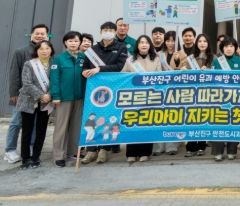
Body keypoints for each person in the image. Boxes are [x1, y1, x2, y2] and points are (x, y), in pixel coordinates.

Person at [80, 21, 129, 164]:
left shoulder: (121, 47)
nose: (108, 32)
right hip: (94, 90)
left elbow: (119, 66)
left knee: (108, 118)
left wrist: (100, 69)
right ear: (101, 32)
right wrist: (85, 72)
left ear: (115, 32)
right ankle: (91, 150)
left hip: (111, 88)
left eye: (110, 30)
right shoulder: (92, 49)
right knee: (92, 117)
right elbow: (85, 66)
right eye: (105, 30)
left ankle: (104, 149)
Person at [5, 24, 49, 164]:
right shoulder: (21, 52)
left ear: (47, 36)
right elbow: (14, 73)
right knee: (16, 122)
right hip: (23, 96)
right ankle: (10, 150)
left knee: (34, 124)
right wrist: (13, 93)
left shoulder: (48, 53)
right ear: (31, 34)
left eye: (43, 33)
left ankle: (30, 146)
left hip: (40, 97)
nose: (40, 35)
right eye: (37, 33)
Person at [122, 35, 162, 162]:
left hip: (150, 97)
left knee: (147, 124)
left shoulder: (156, 59)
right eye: (141, 42)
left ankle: (145, 152)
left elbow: (160, 77)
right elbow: (123, 76)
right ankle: (131, 153)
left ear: (150, 45)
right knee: (133, 124)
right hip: (134, 97)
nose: (144, 45)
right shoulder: (130, 60)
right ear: (137, 45)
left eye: (146, 42)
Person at [16, 40, 55, 169]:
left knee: (41, 130)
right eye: (41, 49)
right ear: (36, 51)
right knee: (27, 130)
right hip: (29, 100)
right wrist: (41, 95)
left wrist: (49, 95)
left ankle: (36, 157)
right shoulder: (29, 64)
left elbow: (56, 82)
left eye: (47, 48)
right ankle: (25, 158)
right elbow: (27, 83)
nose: (44, 51)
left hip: (46, 102)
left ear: (51, 50)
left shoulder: (54, 64)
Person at [50, 31, 86, 167]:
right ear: (65, 43)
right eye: (70, 41)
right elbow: (54, 79)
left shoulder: (84, 57)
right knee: (61, 127)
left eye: (76, 41)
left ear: (80, 42)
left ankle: (73, 151)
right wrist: (56, 95)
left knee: (76, 126)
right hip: (64, 98)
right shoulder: (59, 59)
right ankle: (59, 155)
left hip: (79, 97)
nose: (73, 43)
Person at [211, 36, 240, 161]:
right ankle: (218, 151)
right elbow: (212, 79)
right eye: (226, 46)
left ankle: (232, 150)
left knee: (234, 123)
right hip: (219, 97)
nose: (229, 49)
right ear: (222, 48)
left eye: (231, 46)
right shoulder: (217, 61)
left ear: (235, 48)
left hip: (236, 97)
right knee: (218, 123)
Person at [180, 33, 214, 157]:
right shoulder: (190, 57)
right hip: (193, 93)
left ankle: (202, 146)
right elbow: (182, 69)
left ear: (208, 44)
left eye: (205, 41)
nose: (202, 43)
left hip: (207, 93)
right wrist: (183, 69)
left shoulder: (213, 57)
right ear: (196, 43)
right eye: (200, 41)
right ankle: (191, 146)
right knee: (192, 119)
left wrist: (209, 70)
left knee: (203, 119)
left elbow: (218, 73)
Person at [153, 31, 181, 156]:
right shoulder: (158, 55)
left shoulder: (182, 54)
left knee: (173, 117)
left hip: (176, 90)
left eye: (173, 40)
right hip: (161, 89)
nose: (170, 43)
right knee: (159, 118)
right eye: (168, 40)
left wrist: (178, 62)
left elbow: (184, 70)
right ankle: (158, 147)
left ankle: (172, 146)